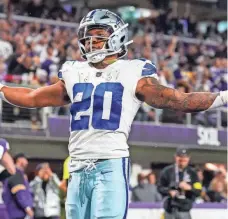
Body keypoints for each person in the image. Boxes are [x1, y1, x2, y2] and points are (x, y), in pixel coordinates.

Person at [0, 9, 227, 219]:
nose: (91, 43)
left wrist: (224, 97)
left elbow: (180, 100)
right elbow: (32, 98)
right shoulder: (73, 71)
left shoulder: (133, 71)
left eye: (98, 36)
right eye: (87, 38)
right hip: (77, 167)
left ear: (116, 36)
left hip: (110, 163)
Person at [158, 148, 202, 219]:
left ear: (188, 158)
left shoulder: (193, 173)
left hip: (184, 209)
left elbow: (199, 191)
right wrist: (169, 191)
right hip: (170, 209)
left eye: (184, 158)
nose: (182, 161)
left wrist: (189, 188)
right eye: (180, 158)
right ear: (175, 157)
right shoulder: (167, 171)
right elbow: (159, 187)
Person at [2, 153, 33, 219]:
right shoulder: (16, 174)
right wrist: (27, 207)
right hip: (17, 213)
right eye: (25, 159)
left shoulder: (13, 173)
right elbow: (19, 192)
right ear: (20, 160)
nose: (27, 162)